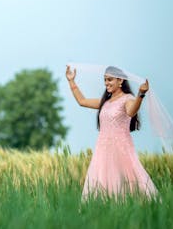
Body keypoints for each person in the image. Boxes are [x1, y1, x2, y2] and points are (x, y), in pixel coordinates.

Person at [65, 65, 158, 200]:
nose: (106, 83)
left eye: (110, 80)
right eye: (105, 80)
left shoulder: (127, 98)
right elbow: (82, 101)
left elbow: (131, 111)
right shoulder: (105, 102)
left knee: (126, 183)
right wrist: (71, 81)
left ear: (120, 81)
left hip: (121, 149)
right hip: (102, 150)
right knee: (102, 182)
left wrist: (141, 95)